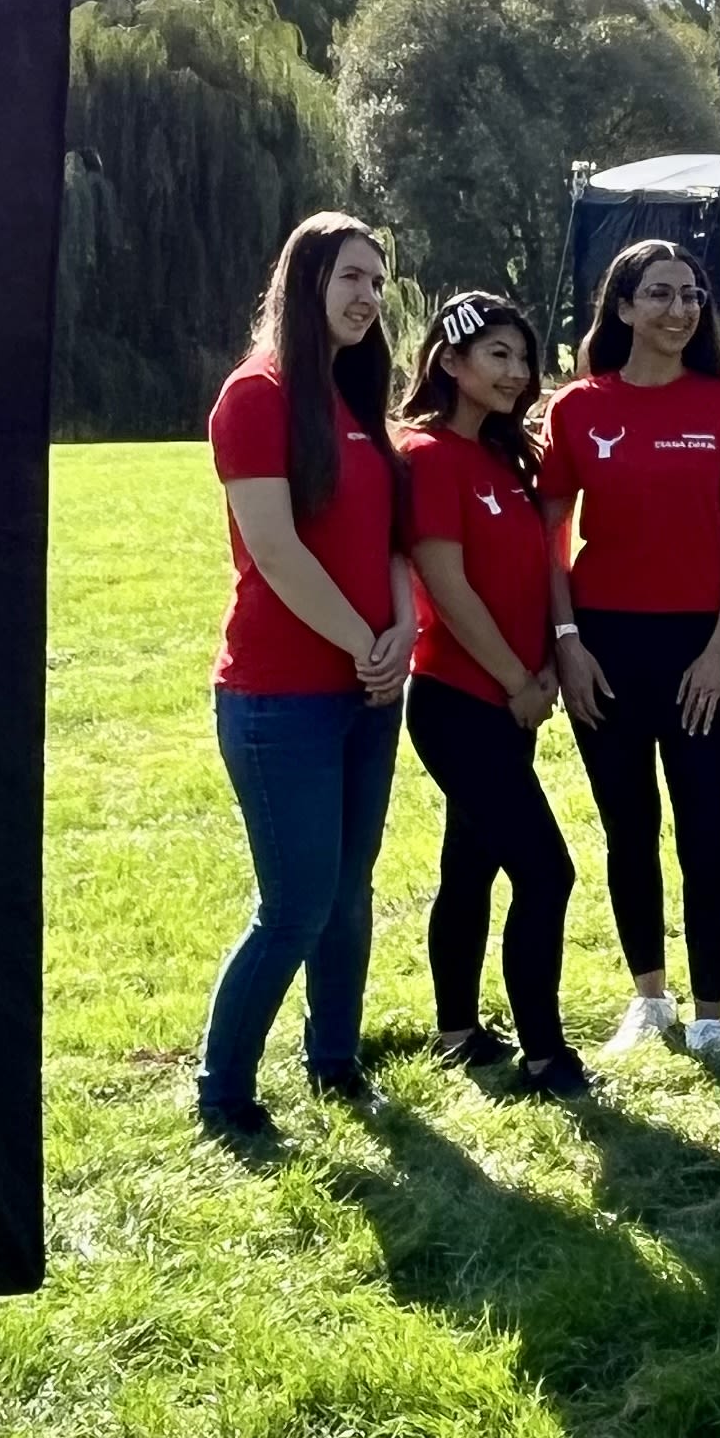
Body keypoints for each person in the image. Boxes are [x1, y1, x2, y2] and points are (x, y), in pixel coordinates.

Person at [197, 211, 416, 1141]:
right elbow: (278, 553)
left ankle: (334, 1062)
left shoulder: (361, 403)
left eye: (376, 281)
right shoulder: (255, 396)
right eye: (350, 280)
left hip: (369, 691)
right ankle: (223, 1093)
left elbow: (394, 541)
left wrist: (402, 628)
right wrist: (369, 640)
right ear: (304, 286)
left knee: (351, 888)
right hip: (278, 695)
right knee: (294, 904)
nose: (368, 298)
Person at [540, 240, 720, 1065]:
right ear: (625, 307)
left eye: (693, 295)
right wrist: (568, 644)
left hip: (704, 649)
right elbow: (552, 539)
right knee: (627, 829)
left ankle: (711, 1012)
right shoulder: (576, 409)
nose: (680, 311)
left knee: (711, 831)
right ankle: (650, 998)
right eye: (661, 295)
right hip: (604, 646)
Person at [396, 290, 589, 1098]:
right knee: (547, 872)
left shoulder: (511, 458)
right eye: (497, 356)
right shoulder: (426, 455)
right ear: (450, 362)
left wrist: (544, 664)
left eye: (522, 356)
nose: (515, 372)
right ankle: (545, 1056)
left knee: (469, 864)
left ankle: (457, 1031)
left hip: (515, 699)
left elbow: (535, 568)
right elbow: (445, 581)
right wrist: (516, 680)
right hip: (457, 701)